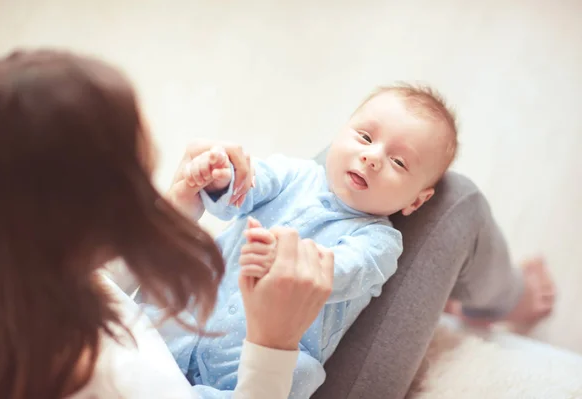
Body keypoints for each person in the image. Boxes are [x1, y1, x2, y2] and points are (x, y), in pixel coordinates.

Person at [0, 49, 334, 399]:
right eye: (139, 164)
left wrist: (177, 205)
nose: (154, 150)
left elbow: (97, 279)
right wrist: (273, 344)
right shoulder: (115, 382)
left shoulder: (17, 274)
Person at [151, 85, 459, 398]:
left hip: (252, 361)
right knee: (159, 306)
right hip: (194, 315)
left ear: (416, 202)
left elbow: (342, 271)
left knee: (298, 373)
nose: (372, 157)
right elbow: (248, 186)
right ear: (338, 134)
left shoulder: (380, 241)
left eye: (399, 162)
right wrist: (222, 178)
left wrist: (284, 259)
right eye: (365, 137)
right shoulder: (295, 174)